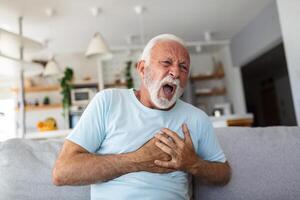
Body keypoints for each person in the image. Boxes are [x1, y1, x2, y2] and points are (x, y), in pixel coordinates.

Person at [52, 34, 231, 200]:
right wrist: (138, 160)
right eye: (167, 63)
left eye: (183, 67)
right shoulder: (108, 101)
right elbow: (63, 172)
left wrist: (192, 164)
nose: (175, 73)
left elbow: (224, 173)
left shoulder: (197, 118)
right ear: (142, 68)